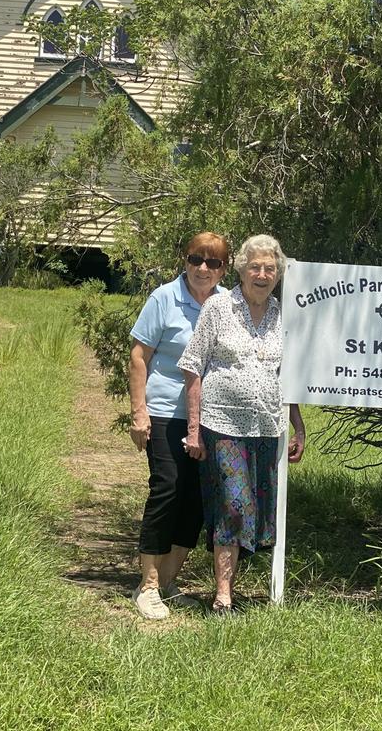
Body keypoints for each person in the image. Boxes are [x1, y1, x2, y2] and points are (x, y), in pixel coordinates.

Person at [178, 233, 306, 612]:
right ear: (242, 270)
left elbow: (291, 375)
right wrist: (193, 429)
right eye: (255, 267)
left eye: (270, 268)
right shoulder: (219, 307)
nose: (262, 274)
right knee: (233, 504)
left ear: (278, 274)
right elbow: (193, 369)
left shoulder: (284, 314)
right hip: (222, 425)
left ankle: (231, 585)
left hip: (267, 426)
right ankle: (222, 597)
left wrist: (298, 426)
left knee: (257, 509)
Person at [128, 232, 229, 620]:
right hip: (165, 412)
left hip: (209, 417)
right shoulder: (164, 298)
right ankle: (148, 586)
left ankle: (168, 583)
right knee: (167, 489)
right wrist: (139, 413)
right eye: (196, 260)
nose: (203, 268)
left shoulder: (226, 303)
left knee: (195, 499)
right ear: (185, 261)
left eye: (214, 262)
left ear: (223, 268)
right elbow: (139, 356)